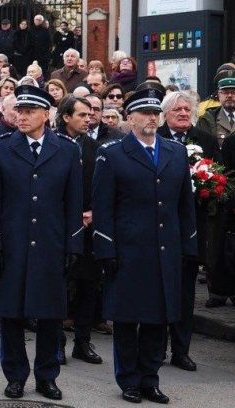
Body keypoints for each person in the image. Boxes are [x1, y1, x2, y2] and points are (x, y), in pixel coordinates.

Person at [92, 88, 197, 404]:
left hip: (166, 250)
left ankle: (150, 379)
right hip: (129, 250)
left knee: (158, 318)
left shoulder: (175, 152)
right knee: (127, 319)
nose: (152, 118)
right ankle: (129, 380)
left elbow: (185, 206)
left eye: (155, 113)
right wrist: (106, 250)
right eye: (145, 113)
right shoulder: (112, 154)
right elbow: (103, 208)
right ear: (130, 118)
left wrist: (189, 246)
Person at [0, 84, 83, 401]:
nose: (21, 116)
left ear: (46, 114)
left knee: (50, 314)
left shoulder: (67, 149)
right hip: (13, 244)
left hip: (52, 244)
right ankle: (15, 375)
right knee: (11, 313)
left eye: (29, 111)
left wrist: (73, 246)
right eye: (19, 111)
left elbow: (73, 204)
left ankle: (47, 375)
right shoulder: (1, 148)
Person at [157, 91, 216, 372]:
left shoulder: (204, 139)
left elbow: (220, 178)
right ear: (165, 113)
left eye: (186, 109)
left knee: (185, 292)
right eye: (177, 109)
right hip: (158, 227)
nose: (183, 113)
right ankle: (155, 348)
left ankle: (181, 350)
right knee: (156, 291)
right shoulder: (154, 136)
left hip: (191, 228)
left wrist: (208, 183)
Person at [54, 96, 104, 366]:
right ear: (66, 117)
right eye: (83, 114)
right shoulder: (52, 145)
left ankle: (82, 342)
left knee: (87, 285)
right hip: (58, 228)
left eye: (91, 114)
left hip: (87, 228)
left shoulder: (97, 148)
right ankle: (57, 343)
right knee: (60, 286)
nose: (89, 118)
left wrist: (93, 212)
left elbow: (104, 187)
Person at [196, 73, 235, 148]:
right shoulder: (207, 120)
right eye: (225, 92)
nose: (229, 96)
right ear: (218, 95)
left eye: (233, 92)